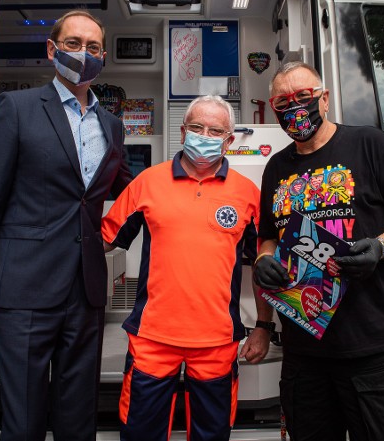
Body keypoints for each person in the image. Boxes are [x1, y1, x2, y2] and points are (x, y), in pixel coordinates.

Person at [0, 10, 132, 441]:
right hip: (24, 290)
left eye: (92, 47)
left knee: (79, 420)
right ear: (51, 49)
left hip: (86, 291)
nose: (83, 54)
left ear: (103, 56)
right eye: (73, 44)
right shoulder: (16, 108)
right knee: (24, 422)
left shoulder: (111, 126)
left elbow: (134, 193)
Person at [253, 61, 384, 441]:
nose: (295, 108)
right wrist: (264, 259)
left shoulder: (370, 144)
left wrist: (381, 246)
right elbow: (268, 235)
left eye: (304, 97)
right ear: (274, 109)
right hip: (305, 351)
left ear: (324, 99)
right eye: (284, 101)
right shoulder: (275, 168)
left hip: (374, 348)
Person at [101, 95, 273, 441]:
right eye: (196, 127)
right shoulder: (147, 182)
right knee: (140, 434)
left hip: (217, 341)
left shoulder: (247, 194)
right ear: (182, 132)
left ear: (229, 140)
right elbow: (103, 242)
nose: (204, 136)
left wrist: (263, 327)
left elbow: (263, 266)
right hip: (152, 339)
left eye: (214, 130)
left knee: (212, 434)